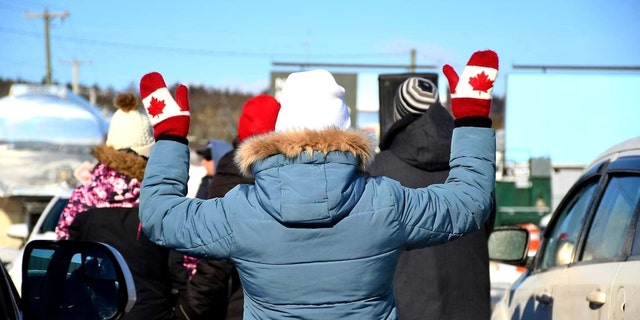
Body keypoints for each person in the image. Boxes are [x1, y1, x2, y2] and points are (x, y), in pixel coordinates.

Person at [138, 49, 498, 320]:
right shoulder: (386, 203)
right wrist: (470, 121)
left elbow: (159, 216)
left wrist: (170, 137)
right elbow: (469, 201)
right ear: (347, 132)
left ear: (280, 132)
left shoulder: (241, 210)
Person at [367, 76, 494, 320]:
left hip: (406, 308)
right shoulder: (470, 167)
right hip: (470, 307)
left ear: (397, 115)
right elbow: (485, 221)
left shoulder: (377, 171)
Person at [55, 92, 180, 320]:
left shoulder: (82, 200)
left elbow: (62, 260)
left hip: (96, 312)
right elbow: (184, 269)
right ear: (148, 155)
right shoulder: (162, 199)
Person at [175, 94, 281, 320]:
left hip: (242, 307)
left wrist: (188, 309)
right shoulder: (293, 171)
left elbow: (218, 248)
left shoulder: (234, 170)